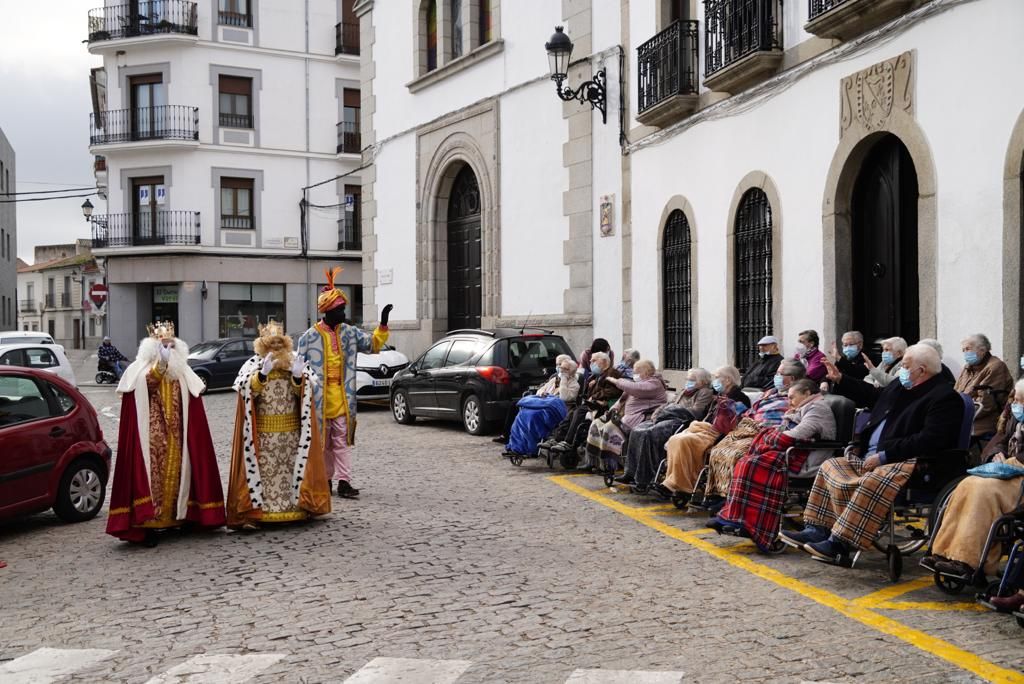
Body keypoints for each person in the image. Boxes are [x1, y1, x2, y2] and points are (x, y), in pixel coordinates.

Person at [781, 344, 963, 565]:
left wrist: (885, 456)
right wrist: (842, 380)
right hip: (872, 456)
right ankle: (817, 529)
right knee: (831, 466)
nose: (901, 371)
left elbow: (930, 439)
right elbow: (874, 396)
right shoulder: (901, 386)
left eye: (905, 366)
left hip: (909, 461)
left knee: (871, 480)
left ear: (922, 370)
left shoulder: (944, 397)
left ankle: (841, 543)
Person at [106, 322, 225, 546]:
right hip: (151, 435)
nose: (168, 348)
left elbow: (193, 399)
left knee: (179, 475)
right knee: (154, 479)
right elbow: (147, 385)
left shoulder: (182, 370)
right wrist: (160, 365)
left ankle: (178, 518)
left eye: (170, 344)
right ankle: (150, 523)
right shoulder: (141, 369)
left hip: (178, 434)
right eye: (163, 345)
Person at [923, 378, 1024, 608]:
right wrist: (996, 454)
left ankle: (969, 560)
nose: (1016, 405)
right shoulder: (1013, 420)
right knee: (966, 484)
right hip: (1006, 470)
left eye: (1021, 401)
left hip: (1020, 479)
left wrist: (1015, 460)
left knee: (982, 490)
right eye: (1015, 400)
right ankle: (943, 552)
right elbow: (1000, 440)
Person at [297, 267, 391, 499]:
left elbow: (373, 345)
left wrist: (383, 324)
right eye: (340, 309)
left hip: (343, 397)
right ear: (327, 311)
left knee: (340, 442)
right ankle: (326, 480)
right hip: (319, 400)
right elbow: (297, 370)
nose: (344, 313)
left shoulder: (350, 332)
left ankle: (344, 482)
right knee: (323, 444)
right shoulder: (308, 338)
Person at [226, 320, 331, 529]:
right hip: (264, 434)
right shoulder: (253, 365)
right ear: (263, 344)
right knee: (265, 474)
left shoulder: (293, 362)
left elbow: (303, 395)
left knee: (291, 471)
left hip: (291, 433)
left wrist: (299, 378)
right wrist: (261, 376)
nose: (276, 348)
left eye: (279, 343)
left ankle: (296, 509)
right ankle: (261, 512)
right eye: (271, 344)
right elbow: (248, 392)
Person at [710, 379, 837, 551]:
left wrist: (769, 437)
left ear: (807, 393)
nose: (789, 401)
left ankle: (751, 524)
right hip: (794, 452)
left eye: (793, 397)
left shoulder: (818, 408)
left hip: (806, 457)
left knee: (752, 465)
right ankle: (736, 517)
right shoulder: (802, 408)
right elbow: (785, 431)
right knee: (745, 462)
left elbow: (796, 434)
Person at [697, 359, 808, 509]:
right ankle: (717, 493)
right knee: (719, 449)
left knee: (737, 454)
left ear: (792, 378)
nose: (776, 376)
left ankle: (731, 498)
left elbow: (784, 419)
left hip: (767, 432)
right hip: (750, 427)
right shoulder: (771, 392)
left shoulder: (796, 396)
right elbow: (753, 410)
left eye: (780, 373)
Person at [655, 366, 751, 501]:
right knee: (674, 439)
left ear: (728, 380)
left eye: (717, 377)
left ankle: (679, 484)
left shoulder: (739, 398)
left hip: (718, 434)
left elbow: (730, 424)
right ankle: (673, 481)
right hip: (704, 429)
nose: (714, 381)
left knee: (684, 441)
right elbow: (704, 416)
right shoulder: (718, 396)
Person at [615, 367, 715, 489]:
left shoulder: (705, 392)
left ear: (702, 381)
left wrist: (671, 411)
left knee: (648, 433)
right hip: (666, 417)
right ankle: (630, 472)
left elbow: (696, 412)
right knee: (637, 430)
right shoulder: (684, 391)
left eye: (692, 379)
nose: (688, 381)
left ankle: (644, 477)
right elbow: (667, 405)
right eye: (688, 379)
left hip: (681, 421)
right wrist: (657, 414)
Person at [582, 360, 667, 472]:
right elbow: (623, 399)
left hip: (639, 418)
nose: (634, 374)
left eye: (637, 372)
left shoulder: (654, 383)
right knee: (596, 423)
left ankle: (610, 463)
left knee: (609, 429)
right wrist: (613, 409)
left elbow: (636, 389)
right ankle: (593, 461)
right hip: (623, 415)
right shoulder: (638, 382)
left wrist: (616, 381)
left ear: (646, 372)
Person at [546, 351, 622, 457]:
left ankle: (568, 442)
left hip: (603, 406)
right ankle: (558, 439)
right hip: (594, 404)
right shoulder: (595, 376)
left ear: (604, 362)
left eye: (594, 360)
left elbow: (613, 391)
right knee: (573, 412)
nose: (591, 362)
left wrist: (594, 397)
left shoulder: (612, 373)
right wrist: (591, 388)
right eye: (591, 360)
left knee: (579, 411)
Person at [494, 355, 579, 445]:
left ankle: (531, 444)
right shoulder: (554, 379)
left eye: (563, 367)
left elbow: (564, 397)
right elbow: (541, 389)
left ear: (570, 371)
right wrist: (542, 393)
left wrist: (564, 379)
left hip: (556, 409)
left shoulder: (574, 384)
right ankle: (518, 442)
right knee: (523, 413)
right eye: (558, 365)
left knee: (532, 415)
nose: (560, 369)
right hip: (544, 404)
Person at [953, 333, 1013, 441]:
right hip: (963, 415)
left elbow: (986, 404)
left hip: (982, 421)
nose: (965, 353)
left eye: (968, 349)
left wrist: (957, 411)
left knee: (947, 436)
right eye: (963, 350)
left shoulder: (995, 366)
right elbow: (955, 393)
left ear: (983, 350)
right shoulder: (968, 368)